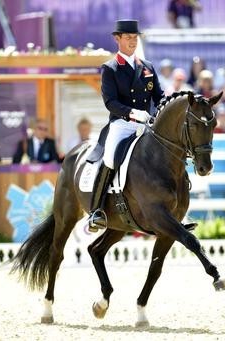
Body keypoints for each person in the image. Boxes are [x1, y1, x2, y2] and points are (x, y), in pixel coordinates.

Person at [88, 20, 164, 231]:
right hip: (122, 124)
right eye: (128, 37)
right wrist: (133, 113)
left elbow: (159, 97)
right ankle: (96, 211)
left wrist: (165, 109)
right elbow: (110, 102)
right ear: (117, 39)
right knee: (111, 157)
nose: (132, 41)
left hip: (146, 125)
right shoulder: (110, 68)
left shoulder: (147, 67)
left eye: (134, 37)